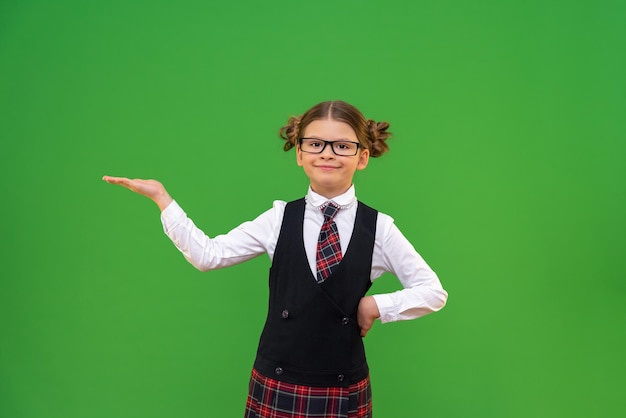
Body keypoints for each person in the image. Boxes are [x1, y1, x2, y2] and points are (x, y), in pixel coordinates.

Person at [103, 100, 447, 418]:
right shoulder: (279, 218)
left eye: (342, 145)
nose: (327, 154)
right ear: (299, 153)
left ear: (362, 156)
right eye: (315, 144)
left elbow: (432, 291)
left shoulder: (380, 228)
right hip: (277, 380)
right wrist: (163, 200)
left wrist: (375, 306)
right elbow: (209, 255)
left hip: (342, 387)